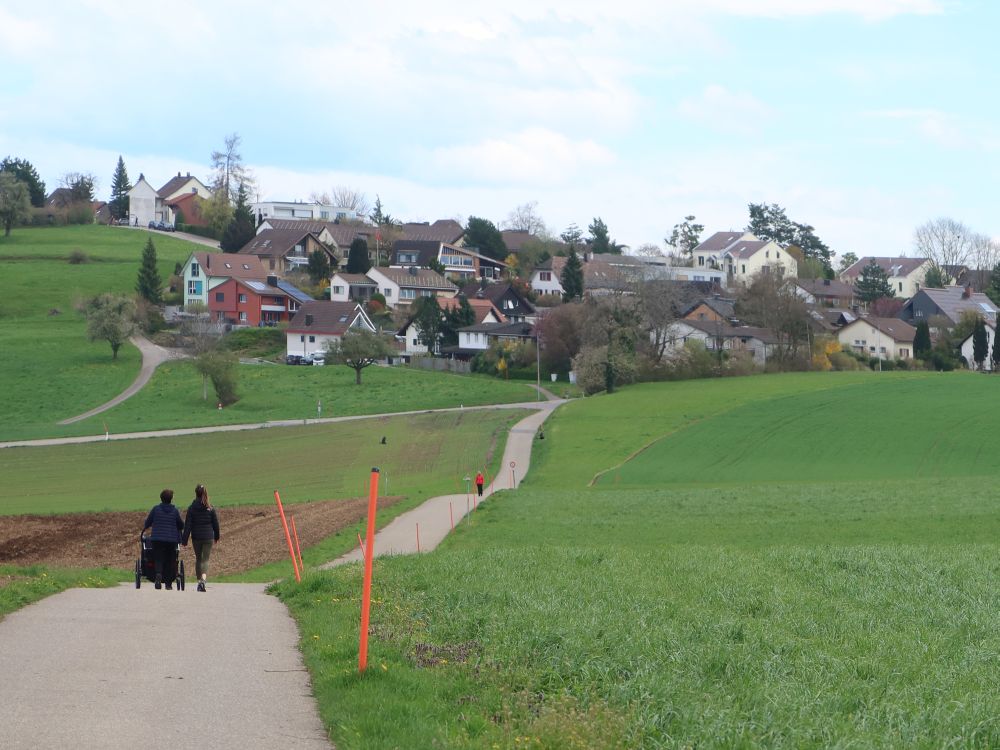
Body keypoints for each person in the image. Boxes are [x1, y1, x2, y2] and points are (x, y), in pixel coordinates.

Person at [143, 489, 183, 590]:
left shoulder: (156, 509)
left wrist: (147, 525)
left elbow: (147, 522)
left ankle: (158, 575)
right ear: (171, 499)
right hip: (171, 540)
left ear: (161, 498)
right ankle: (168, 584)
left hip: (157, 539)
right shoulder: (175, 511)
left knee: (158, 558)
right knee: (170, 560)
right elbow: (181, 524)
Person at [182, 484, 220, 592]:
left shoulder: (192, 508)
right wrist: (216, 536)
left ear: (196, 493)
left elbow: (188, 525)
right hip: (208, 537)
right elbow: (215, 524)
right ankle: (204, 580)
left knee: (198, 559)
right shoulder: (210, 507)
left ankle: (199, 582)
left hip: (196, 537)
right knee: (205, 559)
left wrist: (184, 540)